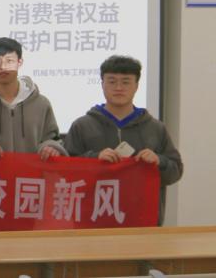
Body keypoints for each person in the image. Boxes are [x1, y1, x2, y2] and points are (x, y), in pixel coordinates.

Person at [64, 55, 182, 225]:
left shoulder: (155, 128)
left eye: (126, 82)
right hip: (92, 221)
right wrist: (94, 159)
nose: (119, 88)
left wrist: (159, 161)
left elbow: (176, 171)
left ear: (137, 86)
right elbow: (65, 172)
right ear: (102, 84)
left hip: (142, 221)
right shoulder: (82, 126)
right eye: (112, 81)